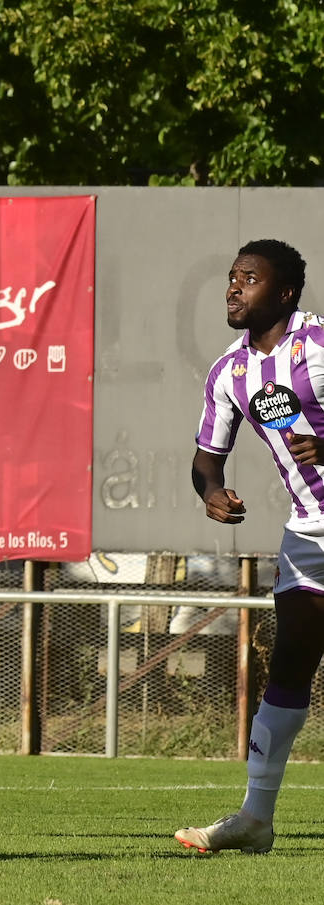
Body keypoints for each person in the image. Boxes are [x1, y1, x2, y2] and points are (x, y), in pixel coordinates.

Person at [178, 238, 320, 855]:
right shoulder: (229, 372)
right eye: (232, 277)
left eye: (250, 278)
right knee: (290, 660)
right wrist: (210, 492)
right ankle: (255, 817)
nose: (234, 287)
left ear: (285, 292)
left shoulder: (317, 348)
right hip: (311, 529)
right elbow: (205, 462)